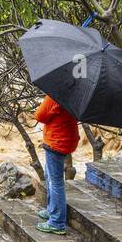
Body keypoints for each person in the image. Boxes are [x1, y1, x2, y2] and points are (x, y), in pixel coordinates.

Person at [33, 94, 79, 234]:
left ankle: (57, 222)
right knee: (50, 176)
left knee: (55, 182)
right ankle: (52, 209)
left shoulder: (55, 95)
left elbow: (39, 116)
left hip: (57, 141)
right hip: (68, 138)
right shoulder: (76, 95)